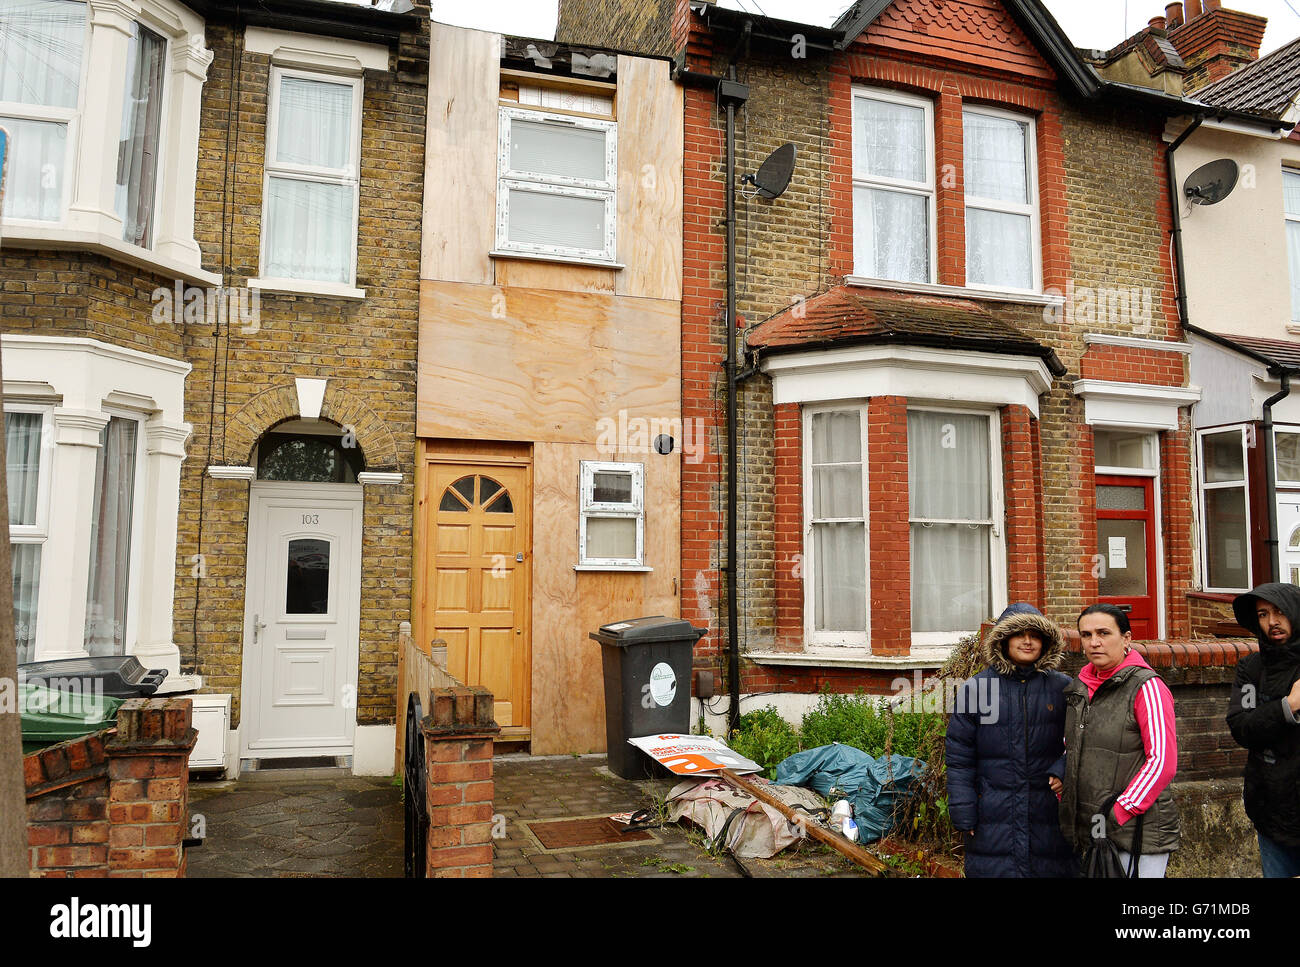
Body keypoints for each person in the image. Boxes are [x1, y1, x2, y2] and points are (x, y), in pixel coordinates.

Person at [945, 603, 1077, 877]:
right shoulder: (977, 689)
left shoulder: (1063, 687)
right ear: (1003, 640)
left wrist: (1063, 769)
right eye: (1019, 634)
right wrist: (963, 808)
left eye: (1035, 635)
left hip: (1048, 815)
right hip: (993, 817)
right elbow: (959, 757)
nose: (1027, 641)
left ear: (1046, 641)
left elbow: (1083, 741)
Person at [1059, 604, 1180, 877]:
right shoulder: (1080, 687)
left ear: (1126, 638)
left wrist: (1120, 811)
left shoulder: (1147, 687)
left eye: (1104, 633)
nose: (1094, 642)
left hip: (1137, 832)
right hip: (1094, 828)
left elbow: (1163, 761)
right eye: (1086, 635)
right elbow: (1073, 747)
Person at [1226, 583, 1300, 877]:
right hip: (1271, 808)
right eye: (1263, 614)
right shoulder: (1251, 670)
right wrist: (1288, 706)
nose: (1272, 622)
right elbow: (1242, 726)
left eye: (1280, 612)